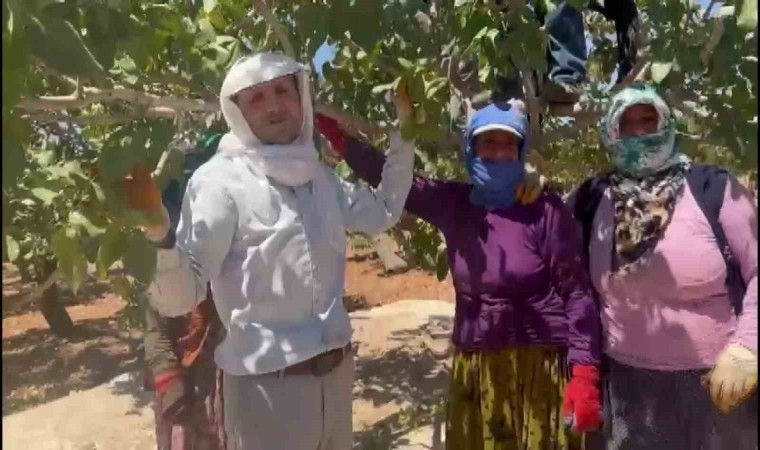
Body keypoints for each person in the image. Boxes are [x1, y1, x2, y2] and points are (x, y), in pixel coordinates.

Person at [126, 52, 415, 450]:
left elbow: (382, 212)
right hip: (266, 395)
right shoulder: (220, 183)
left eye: (283, 90)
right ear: (237, 112)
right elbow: (180, 298)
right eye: (256, 97)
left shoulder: (321, 179)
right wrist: (160, 234)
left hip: (336, 378)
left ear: (302, 99)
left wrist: (406, 133)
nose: (274, 105)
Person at [316, 100, 603, 450]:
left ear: (521, 151)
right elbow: (390, 177)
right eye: (488, 143)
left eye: (508, 143)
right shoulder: (454, 203)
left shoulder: (545, 210)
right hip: (478, 366)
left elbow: (576, 294)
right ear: (471, 150)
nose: (498, 153)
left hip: (540, 365)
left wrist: (585, 373)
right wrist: (338, 137)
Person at [569, 84, 758, 449]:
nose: (640, 132)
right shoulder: (591, 198)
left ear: (668, 125)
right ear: (611, 132)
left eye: (649, 120)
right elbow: (543, 245)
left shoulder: (714, 189)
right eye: (628, 124)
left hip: (718, 386)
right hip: (626, 390)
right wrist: (525, 188)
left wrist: (747, 348)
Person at [143, 134, 226, 450]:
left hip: (224, 378)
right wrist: (170, 381)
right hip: (181, 382)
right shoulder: (162, 261)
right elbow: (154, 327)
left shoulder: (224, 247)